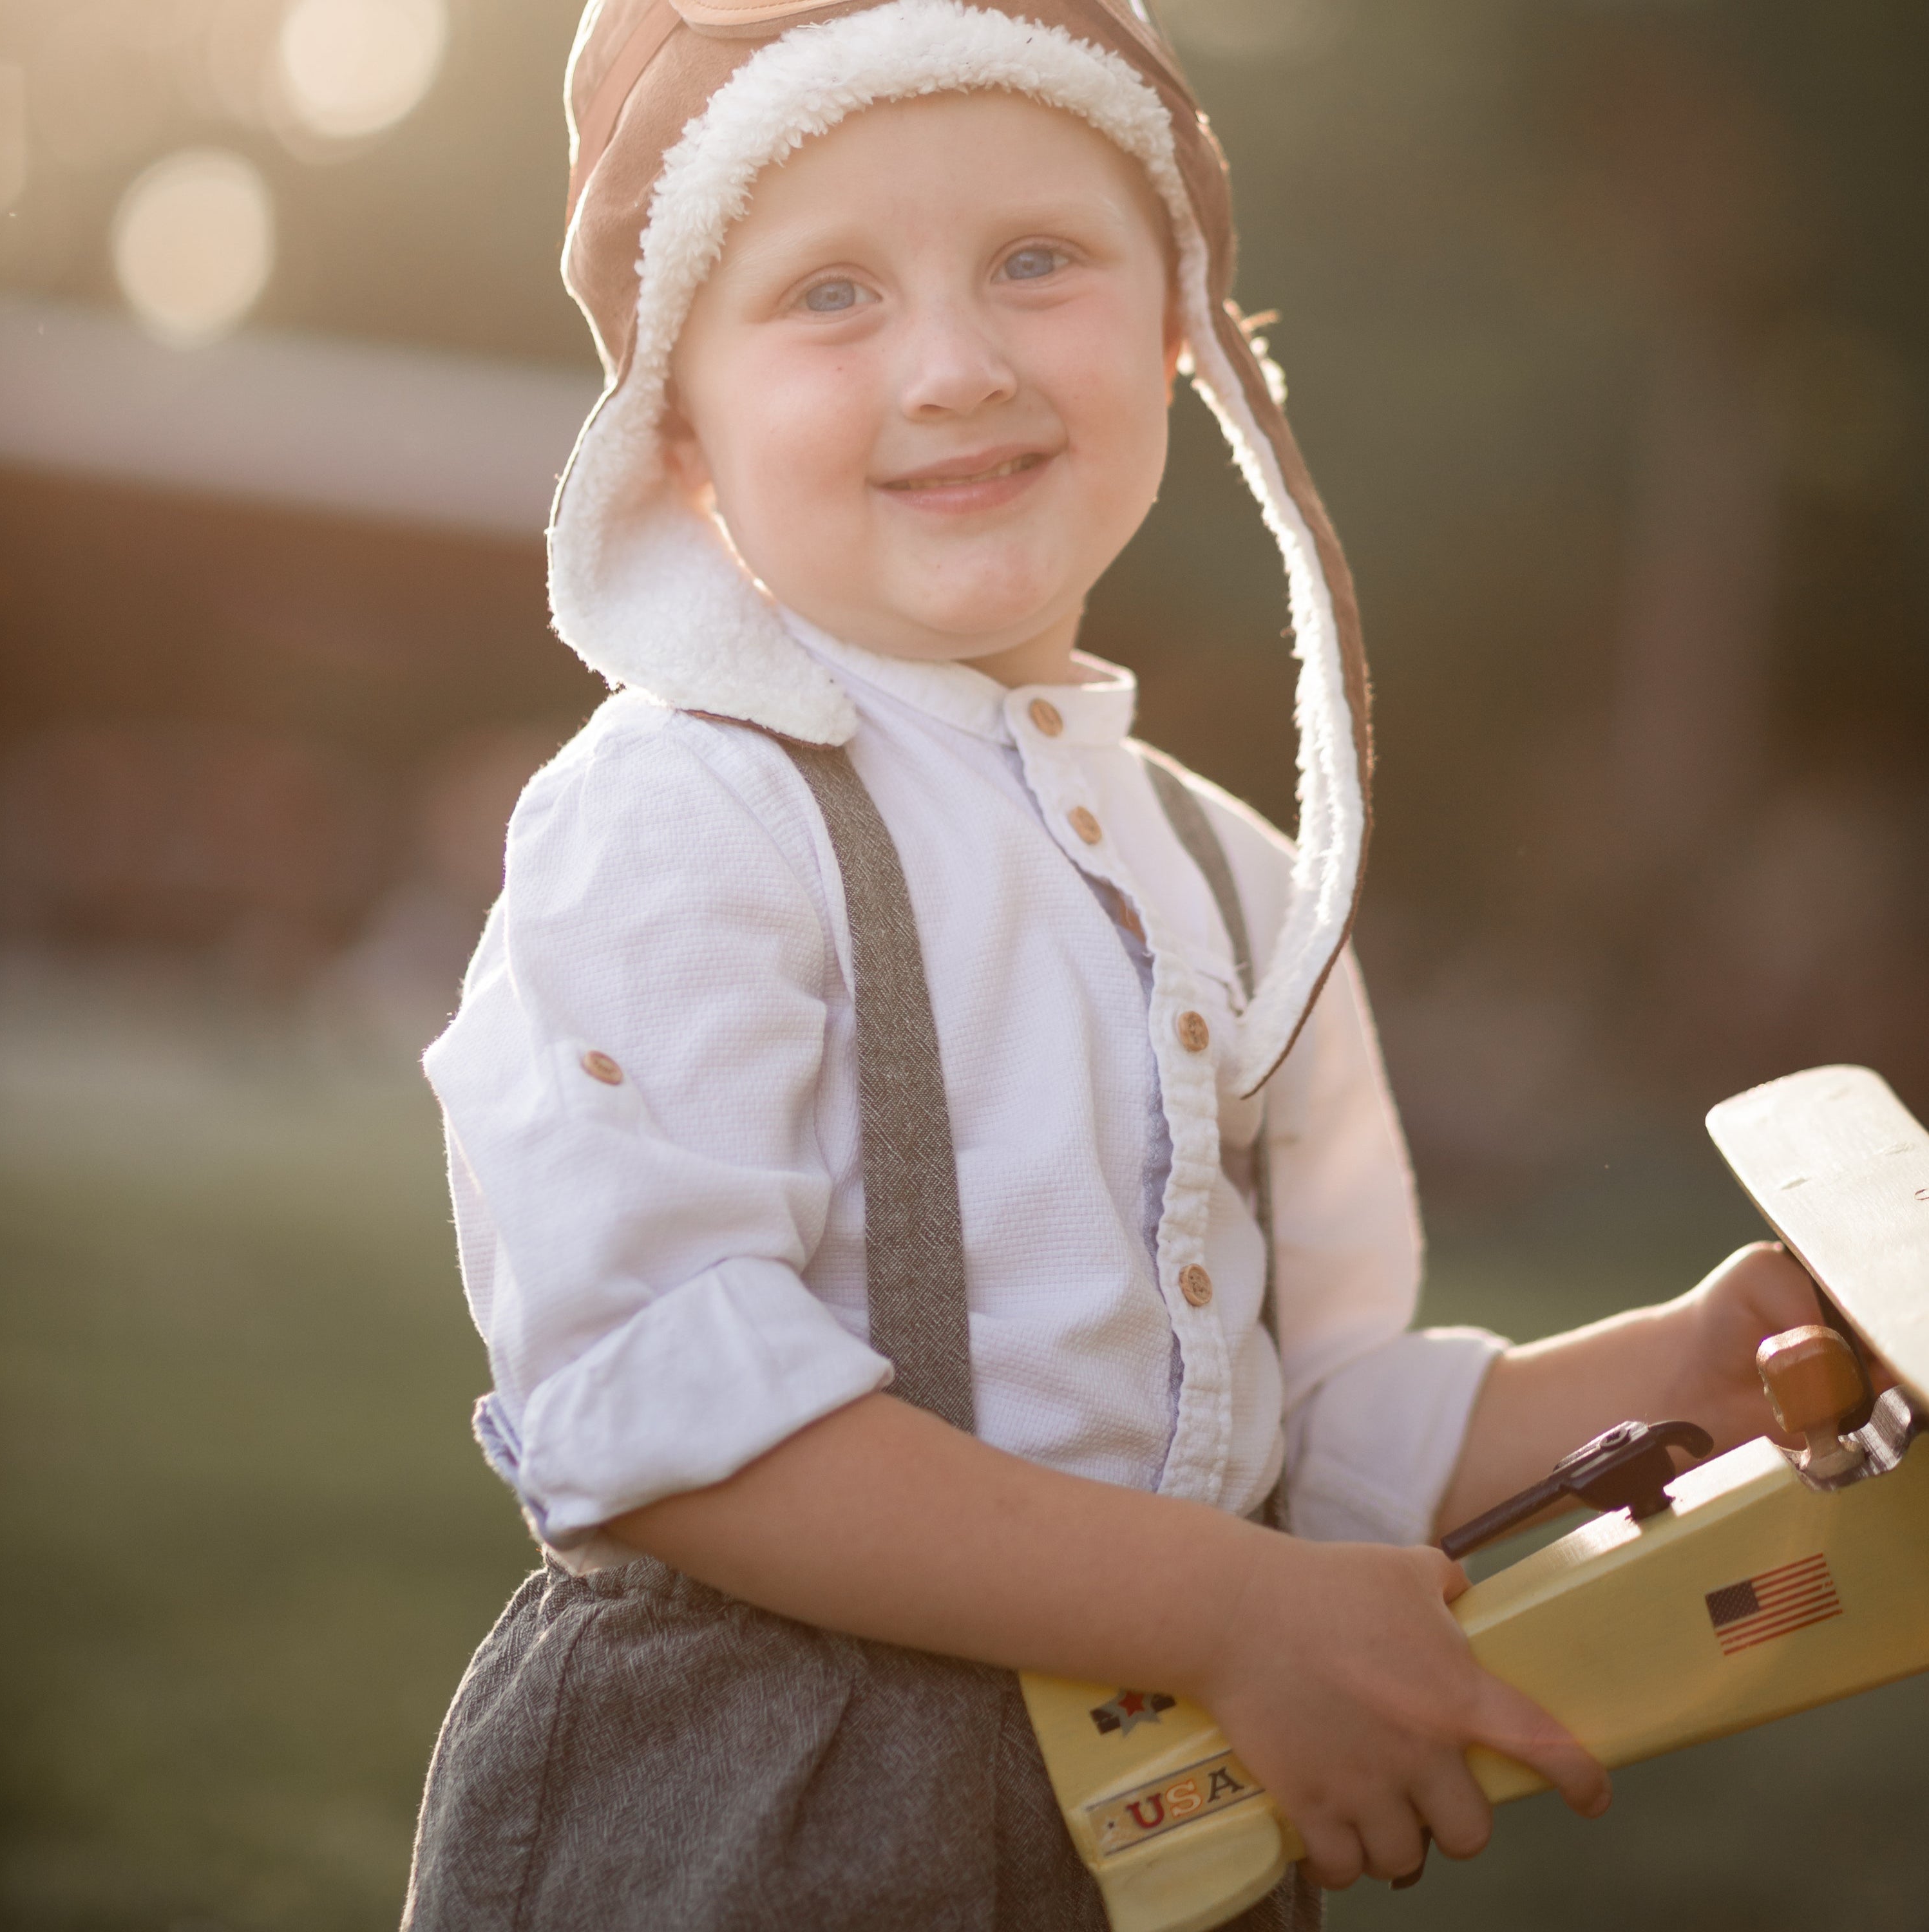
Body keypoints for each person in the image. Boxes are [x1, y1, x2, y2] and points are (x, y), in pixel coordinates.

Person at [404, 3, 1818, 1926]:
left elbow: (1287, 1423)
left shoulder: (1231, 882)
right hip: (769, 1813)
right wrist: (1227, 1609)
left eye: (1038, 261)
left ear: (1186, 322)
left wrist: (1667, 1375)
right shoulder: (684, 818)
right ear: (682, 425)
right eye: (829, 292)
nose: (955, 365)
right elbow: (662, 1414)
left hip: (1168, 1831)